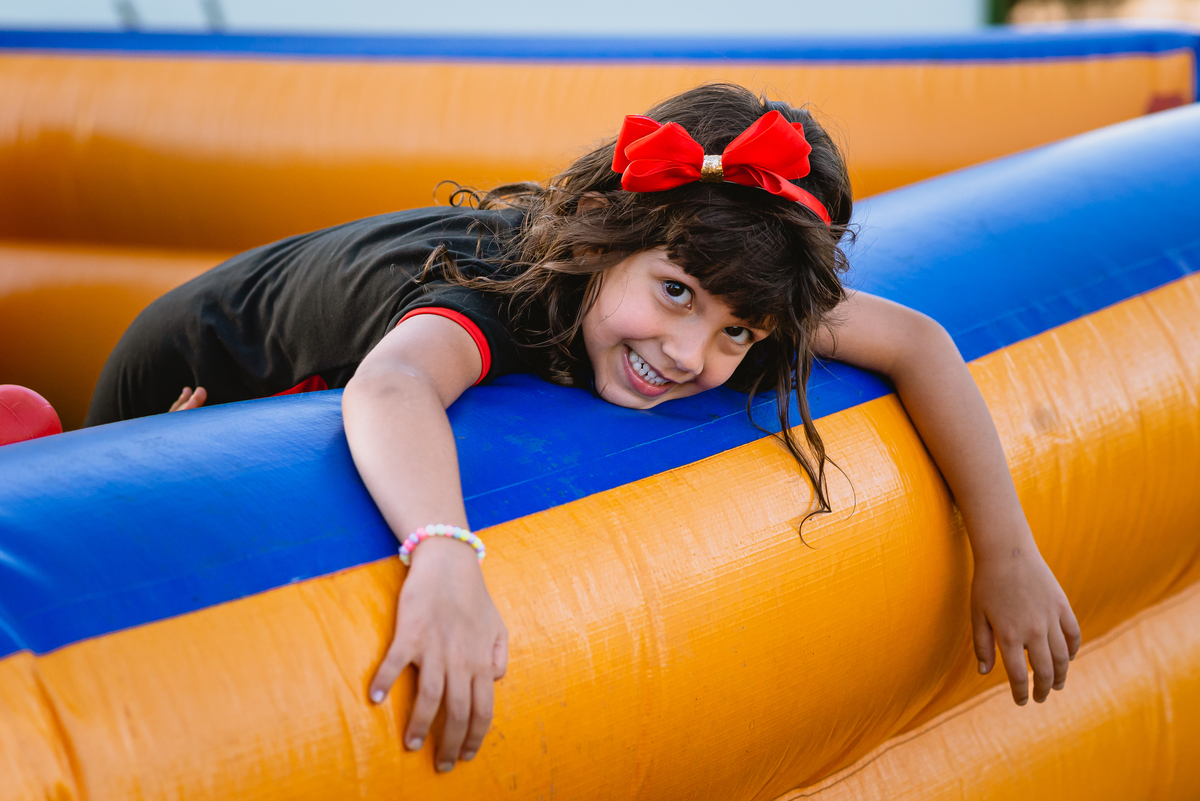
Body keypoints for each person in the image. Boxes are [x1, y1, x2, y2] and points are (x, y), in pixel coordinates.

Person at [86, 83, 1081, 774]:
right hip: (184, 377)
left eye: (738, 328)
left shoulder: (732, 273)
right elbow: (391, 391)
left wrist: (1005, 548)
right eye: (676, 293)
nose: (692, 351)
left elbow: (917, 340)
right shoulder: (497, 297)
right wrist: (441, 554)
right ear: (606, 237)